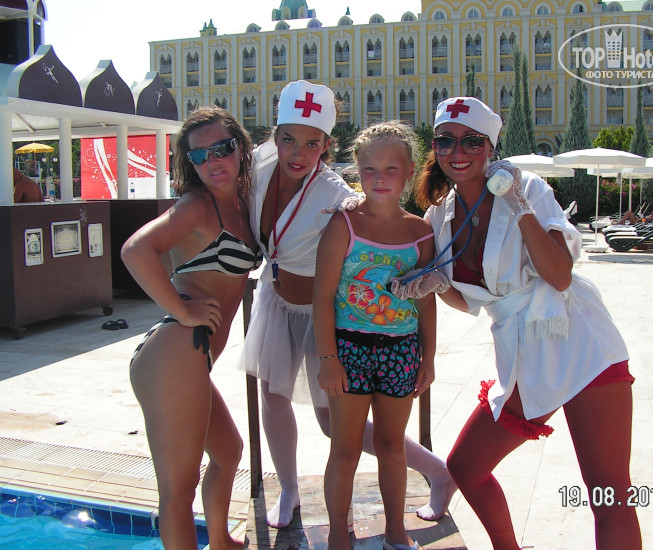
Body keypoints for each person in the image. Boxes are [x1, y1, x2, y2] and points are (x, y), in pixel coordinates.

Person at [412, 97, 642, 550]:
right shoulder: (438, 217)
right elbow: (473, 300)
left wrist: (518, 206)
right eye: (445, 141)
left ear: (491, 147)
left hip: (580, 341)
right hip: (522, 353)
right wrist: (435, 285)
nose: (458, 151)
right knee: (465, 467)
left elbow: (559, 276)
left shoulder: (527, 187)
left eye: (472, 141)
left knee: (609, 493)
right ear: (434, 147)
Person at [241, 80, 455, 529]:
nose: (298, 153)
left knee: (331, 423)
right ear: (274, 136)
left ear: (327, 145)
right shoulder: (258, 167)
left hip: (328, 316)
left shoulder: (336, 195)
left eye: (312, 143)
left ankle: (436, 470)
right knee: (272, 396)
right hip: (276, 299)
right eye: (288, 139)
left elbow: (371, 211)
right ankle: (288, 489)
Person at [122, 106, 261, 550]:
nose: (212, 160)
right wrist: (182, 311)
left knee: (229, 452)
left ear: (240, 147)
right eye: (199, 155)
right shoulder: (196, 205)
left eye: (221, 148)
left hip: (192, 360)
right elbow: (135, 250)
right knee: (177, 491)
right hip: (174, 353)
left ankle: (219, 542)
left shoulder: (241, 203)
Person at [313, 121, 438, 550]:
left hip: (402, 351)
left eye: (390, 169)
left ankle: (395, 530)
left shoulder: (420, 232)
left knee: (391, 445)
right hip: (349, 350)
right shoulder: (343, 225)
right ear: (357, 169)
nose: (379, 178)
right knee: (345, 449)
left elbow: (425, 300)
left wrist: (428, 356)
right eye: (369, 169)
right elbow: (322, 296)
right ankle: (337, 533)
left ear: (409, 171)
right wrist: (328, 359)